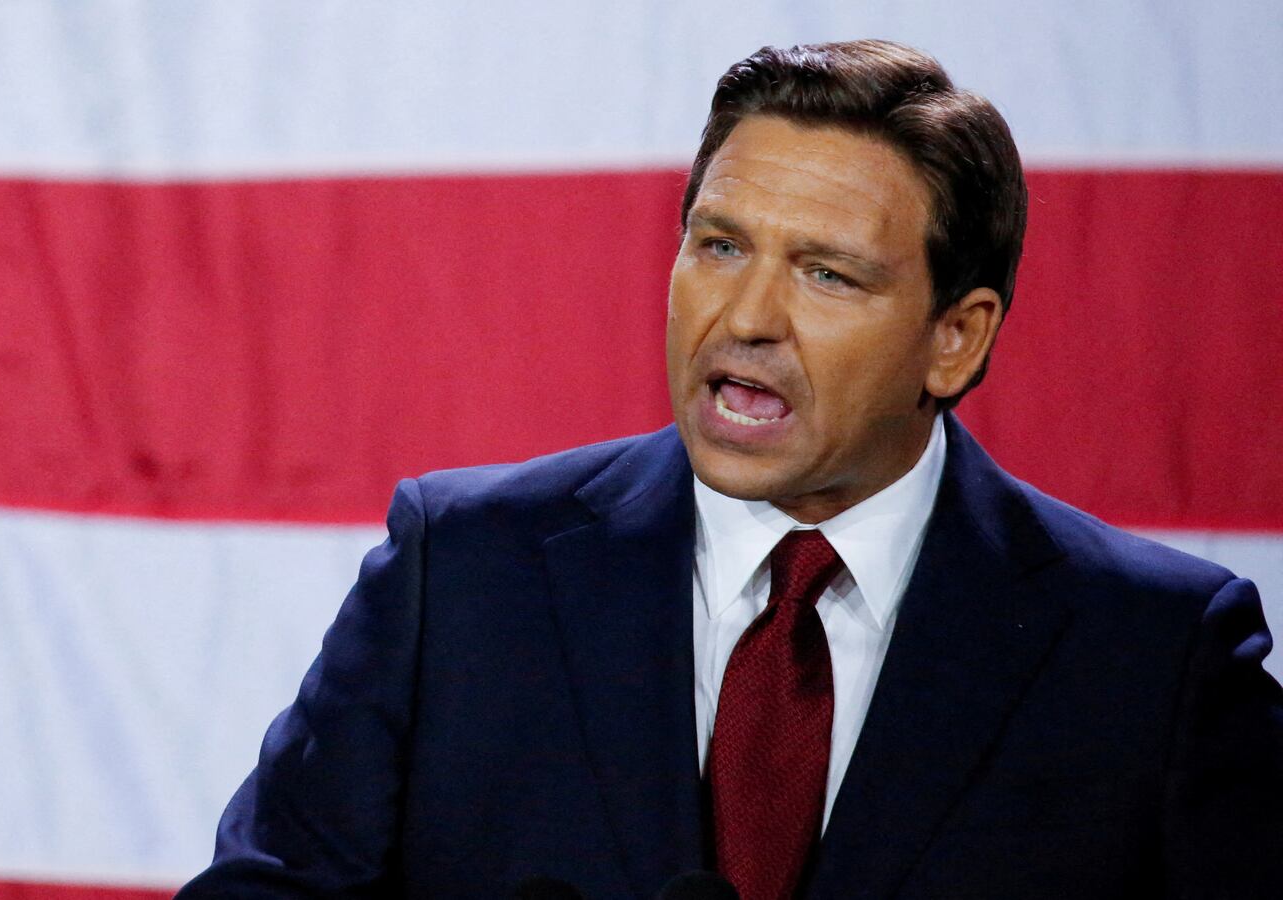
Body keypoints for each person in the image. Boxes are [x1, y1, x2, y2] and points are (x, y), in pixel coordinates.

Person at [177, 40, 1283, 899]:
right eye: (719, 246)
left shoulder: (1154, 658)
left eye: (827, 274)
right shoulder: (463, 572)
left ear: (956, 338)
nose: (745, 317)